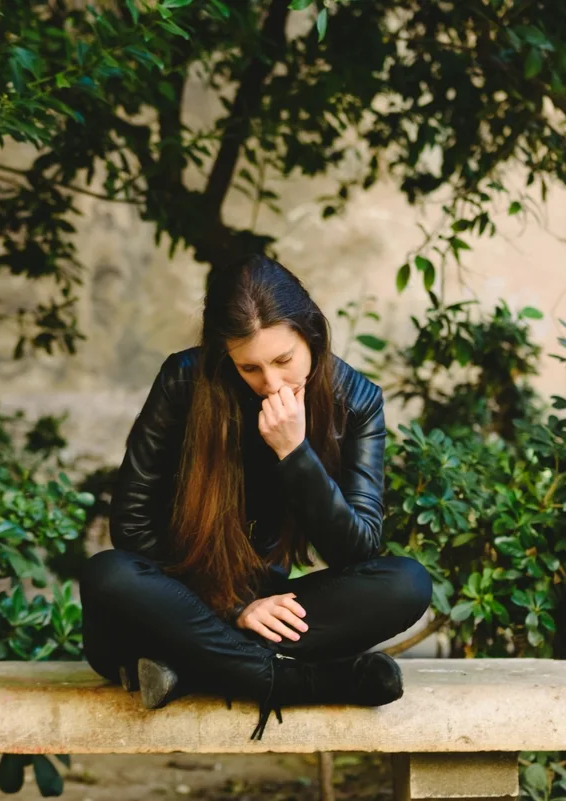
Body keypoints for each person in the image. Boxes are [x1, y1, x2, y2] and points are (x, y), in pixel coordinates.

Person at [79, 254, 432, 740]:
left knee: (406, 583)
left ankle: (191, 666)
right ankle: (293, 680)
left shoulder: (357, 401)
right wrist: (229, 608)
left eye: (284, 361)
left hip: (265, 611)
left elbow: (359, 549)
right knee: (109, 575)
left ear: (312, 333)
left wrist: (295, 453)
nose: (271, 383)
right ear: (226, 357)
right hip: (175, 601)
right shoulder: (185, 381)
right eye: (250, 368)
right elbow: (132, 525)